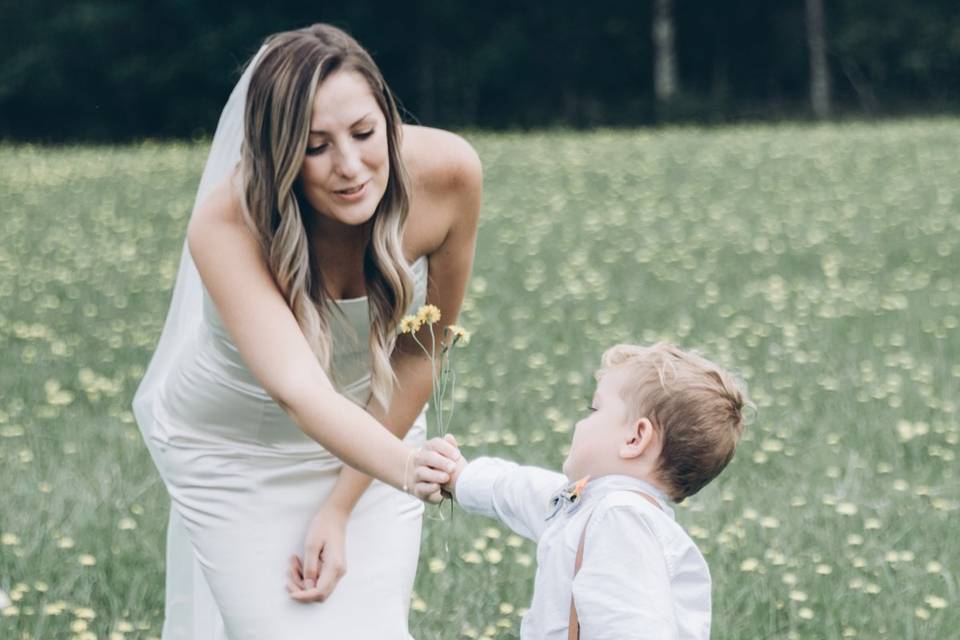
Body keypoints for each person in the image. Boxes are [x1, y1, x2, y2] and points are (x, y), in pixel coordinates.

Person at [132, 23, 479, 639]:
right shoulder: (227, 224)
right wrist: (407, 468)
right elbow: (299, 389)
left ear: (388, 119)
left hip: (375, 429)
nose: (350, 167)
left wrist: (345, 500)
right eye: (315, 147)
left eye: (366, 133)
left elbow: (424, 350)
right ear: (277, 153)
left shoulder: (448, 175)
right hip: (237, 452)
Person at [414, 342, 750, 639]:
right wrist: (461, 476)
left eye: (595, 409)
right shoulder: (590, 504)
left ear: (635, 439)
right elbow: (519, 491)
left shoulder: (623, 519)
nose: (581, 423)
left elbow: (635, 628)